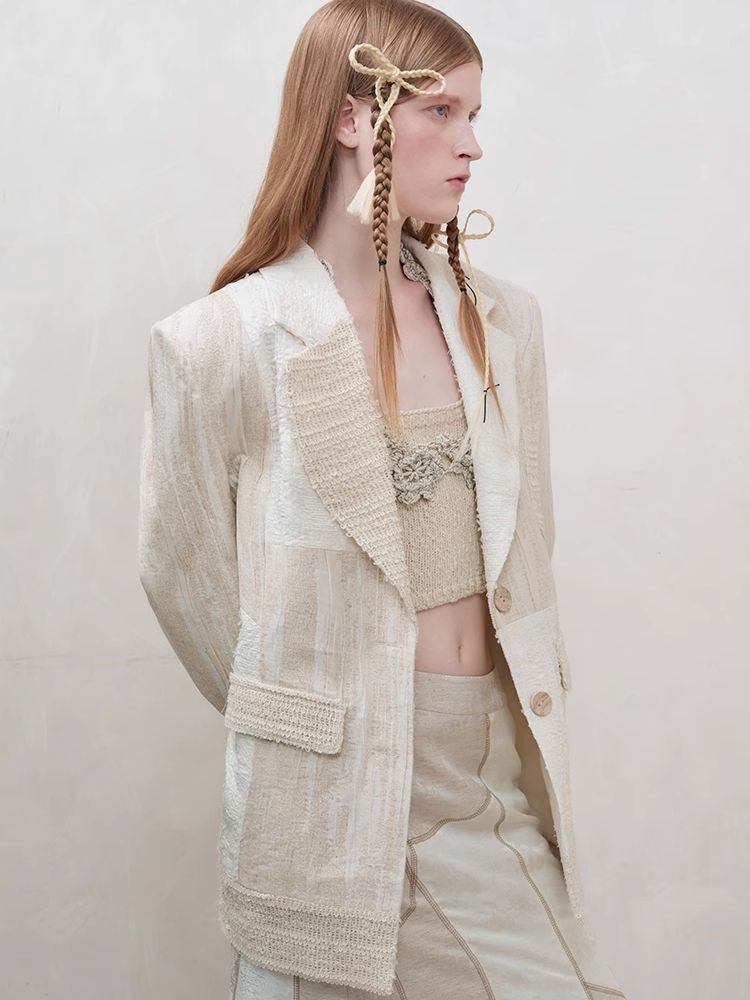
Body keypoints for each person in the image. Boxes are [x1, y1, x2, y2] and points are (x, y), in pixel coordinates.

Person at [138, 1, 629, 997]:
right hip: (327, 804)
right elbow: (182, 579)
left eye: (475, 115)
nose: (472, 145)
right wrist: (313, 719)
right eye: (442, 111)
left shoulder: (503, 325)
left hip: (483, 777)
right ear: (351, 119)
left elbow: (528, 548)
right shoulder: (219, 344)